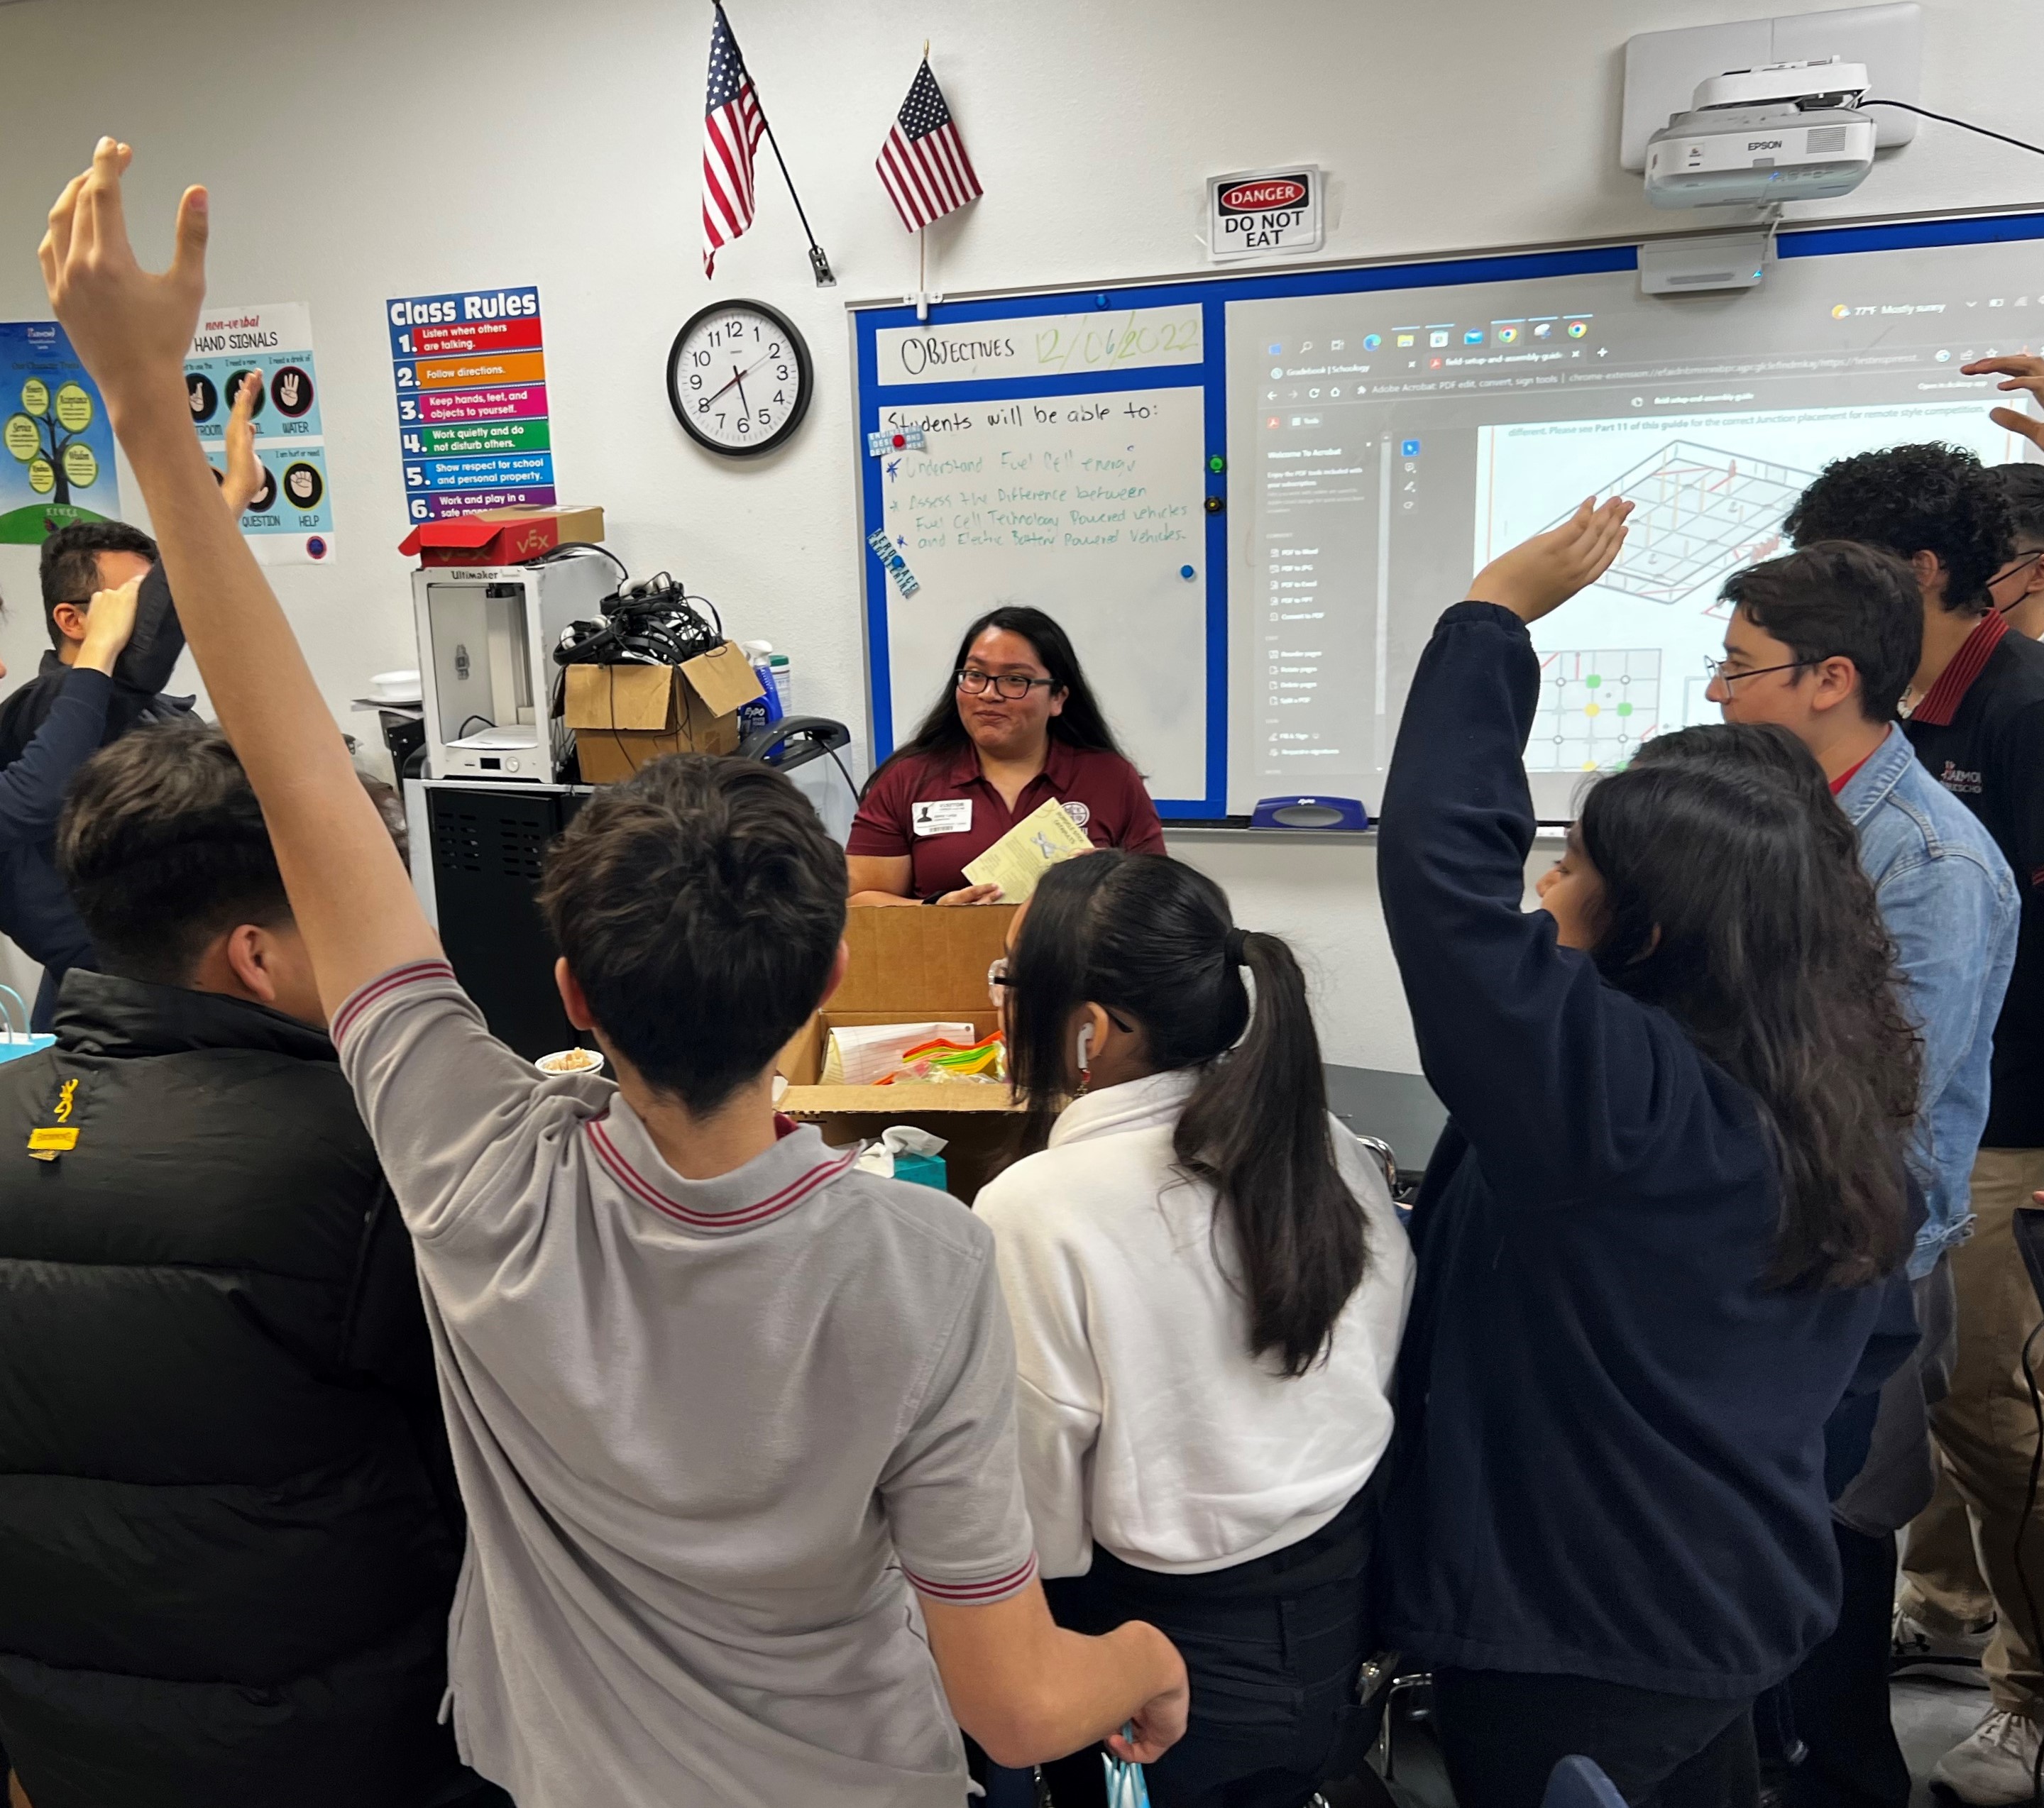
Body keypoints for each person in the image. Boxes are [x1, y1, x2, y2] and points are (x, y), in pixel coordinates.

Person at [36, 140, 1187, 1808]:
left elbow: (306, 799)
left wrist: (149, 414)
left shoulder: (478, 1169)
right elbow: (1013, 1707)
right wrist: (1143, 1663)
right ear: (825, 988)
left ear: (568, 995)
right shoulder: (927, 1267)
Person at [1373, 498, 1921, 1808]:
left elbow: (1444, 888)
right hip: (1728, 1598)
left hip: (1574, 1624)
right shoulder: (1836, 1094)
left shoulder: (1623, 1105)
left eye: (1573, 870)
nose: (1544, 889)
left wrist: (1493, 613)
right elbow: (1875, 1358)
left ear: (1655, 929)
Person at [0, 722, 495, 1808]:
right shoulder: (364, 1156)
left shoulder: (14, 1111)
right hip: (358, 1745)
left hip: (73, 1743)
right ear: (256, 956)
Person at [1684, 539, 2018, 1808]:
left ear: (1831, 677)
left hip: (1849, 1269)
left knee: (1824, 1564)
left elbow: (1883, 1107)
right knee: (1753, 1572)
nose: (1718, 691)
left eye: (1738, 667)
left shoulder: (1928, 863)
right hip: (1750, 1252)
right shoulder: (1773, 820)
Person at [976, 851, 1413, 1808]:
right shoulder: (1327, 1143)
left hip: (1164, 1647)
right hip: (1345, 1598)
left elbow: (1037, 1515)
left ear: (1091, 1031)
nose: (1002, 1001)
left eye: (1012, 981)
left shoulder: (1037, 1208)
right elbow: (1376, 1357)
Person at [1786, 445, 2044, 1804]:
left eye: (1744, 664)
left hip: (1951, 1164)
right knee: (1880, 1468)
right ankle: (1922, 1623)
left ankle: (2015, 1697)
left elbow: (1903, 1068)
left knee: (1975, 1431)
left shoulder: (1996, 748)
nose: (1727, 688)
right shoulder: (1863, 759)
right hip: (1859, 1178)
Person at [0, 374, 260, 1027]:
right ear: (73, 619)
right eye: (130, 606)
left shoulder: (128, 706)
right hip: (118, 999)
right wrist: (225, 498)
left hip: (142, 988)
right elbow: (142, 656)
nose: (154, 620)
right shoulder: (52, 701)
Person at [846, 605, 1165, 904]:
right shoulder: (908, 778)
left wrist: (1109, 883)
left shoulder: (1110, 777)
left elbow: (1159, 900)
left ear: (1058, 698)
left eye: (1015, 680)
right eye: (975, 675)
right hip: (941, 957)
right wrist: (933, 910)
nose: (989, 694)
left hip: (1073, 963)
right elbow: (861, 902)